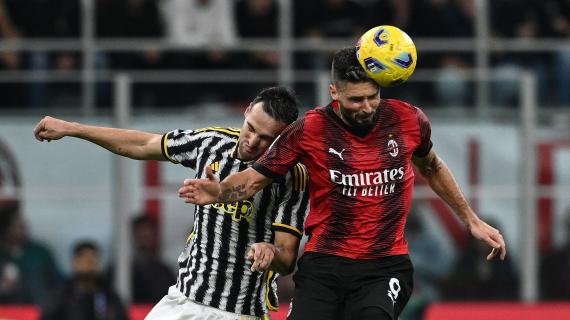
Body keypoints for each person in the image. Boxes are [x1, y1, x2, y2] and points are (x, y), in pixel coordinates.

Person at [179, 47, 508, 320]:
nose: (366, 107)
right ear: (334, 92)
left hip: (384, 265)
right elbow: (253, 180)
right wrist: (220, 190)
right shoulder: (309, 130)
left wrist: (471, 219)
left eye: (372, 96)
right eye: (355, 100)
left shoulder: (408, 119)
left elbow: (432, 167)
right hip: (324, 265)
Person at [33, 86, 310, 319]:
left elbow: (286, 259)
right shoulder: (211, 143)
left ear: (284, 138)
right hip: (183, 301)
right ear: (247, 110)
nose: (252, 141)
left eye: (266, 138)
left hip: (238, 311)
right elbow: (143, 145)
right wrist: (73, 128)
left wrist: (269, 252)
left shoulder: (291, 176)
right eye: (251, 129)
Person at [41, 240, 129, 320]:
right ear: (75, 263)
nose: (90, 263)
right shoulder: (61, 295)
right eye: (85, 259)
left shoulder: (109, 295)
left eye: (93, 259)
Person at [0, 201, 61, 305]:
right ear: (6, 229)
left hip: (40, 309)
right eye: (17, 226)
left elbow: (58, 281)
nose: (24, 228)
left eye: (24, 224)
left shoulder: (40, 252)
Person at [130, 214, 176, 304]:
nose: (144, 242)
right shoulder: (122, 271)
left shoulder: (165, 272)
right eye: (140, 237)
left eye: (147, 237)